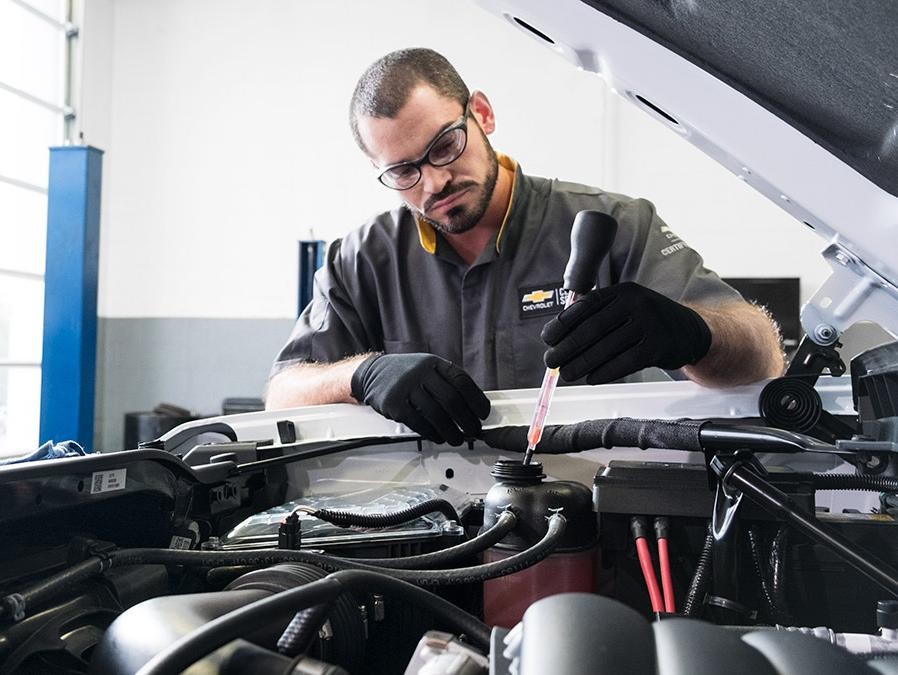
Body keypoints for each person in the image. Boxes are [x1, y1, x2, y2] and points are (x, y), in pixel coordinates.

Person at [265, 48, 784, 446]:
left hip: (612, 525)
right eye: (403, 170)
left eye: (445, 146)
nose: (434, 182)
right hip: (439, 535)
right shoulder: (360, 261)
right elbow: (281, 396)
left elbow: (762, 359)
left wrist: (692, 333)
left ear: (482, 114)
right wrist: (361, 374)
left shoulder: (620, 225)